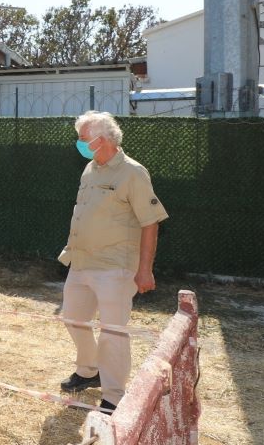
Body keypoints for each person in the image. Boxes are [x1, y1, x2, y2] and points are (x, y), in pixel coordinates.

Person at [57, 111, 168, 413]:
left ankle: (114, 396)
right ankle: (88, 371)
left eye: (83, 140)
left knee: (113, 331)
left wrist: (144, 269)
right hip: (81, 262)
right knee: (73, 319)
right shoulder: (89, 169)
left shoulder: (133, 172)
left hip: (116, 268)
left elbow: (150, 222)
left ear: (101, 140)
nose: (79, 144)